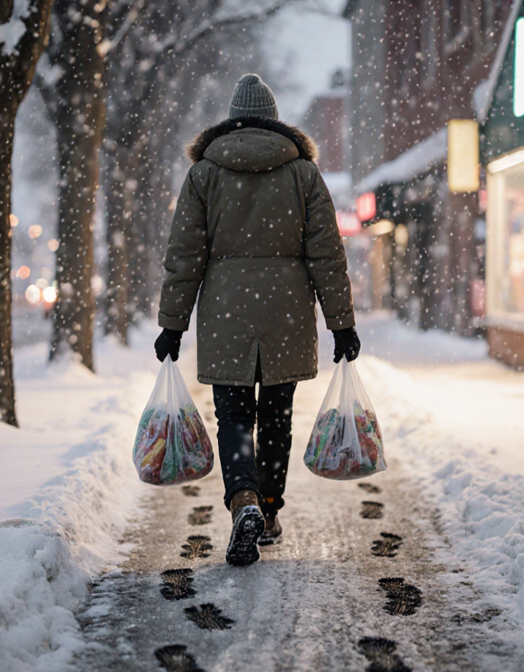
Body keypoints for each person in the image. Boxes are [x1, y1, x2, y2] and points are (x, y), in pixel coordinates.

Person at [155, 74, 360, 567]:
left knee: (233, 416)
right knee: (276, 417)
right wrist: (341, 323)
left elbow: (184, 255)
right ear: (274, 119)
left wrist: (173, 324)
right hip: (286, 309)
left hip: (226, 310)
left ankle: (243, 496)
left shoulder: (204, 173)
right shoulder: (303, 174)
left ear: (231, 119)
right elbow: (327, 255)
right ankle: (268, 510)